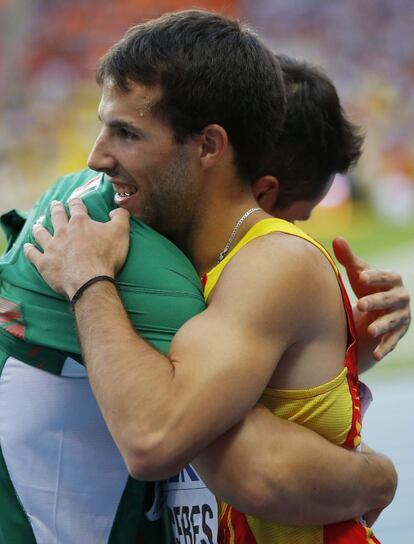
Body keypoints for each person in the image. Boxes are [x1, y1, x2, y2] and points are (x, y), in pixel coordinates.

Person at [22, 10, 409, 543]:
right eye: (103, 127)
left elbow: (156, 440)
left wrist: (89, 281)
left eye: (126, 133)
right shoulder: (178, 260)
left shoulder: (273, 260)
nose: (96, 158)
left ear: (208, 146)